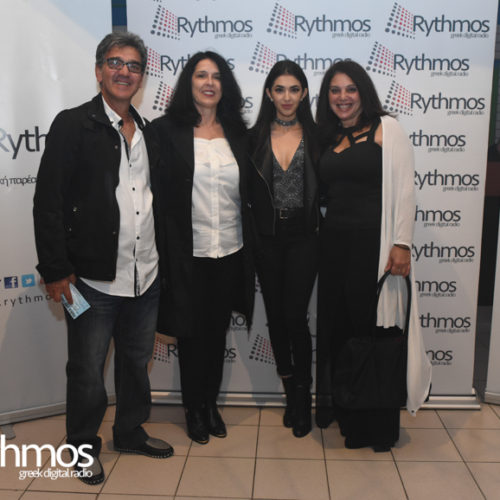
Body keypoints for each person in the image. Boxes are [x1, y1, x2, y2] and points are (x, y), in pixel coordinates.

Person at [33, 32, 173, 485]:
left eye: (133, 65)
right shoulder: (73, 125)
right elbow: (48, 202)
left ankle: (129, 431)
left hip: (144, 276)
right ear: (98, 71)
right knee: (87, 372)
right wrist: (56, 270)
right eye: (115, 62)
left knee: (135, 364)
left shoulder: (149, 131)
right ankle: (81, 445)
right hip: (91, 281)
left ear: (142, 77)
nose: (123, 72)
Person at [314, 60, 431, 451]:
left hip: (375, 249)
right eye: (335, 90)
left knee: (374, 332)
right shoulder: (329, 137)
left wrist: (402, 244)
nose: (343, 97)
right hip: (334, 249)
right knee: (343, 331)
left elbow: (406, 190)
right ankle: (348, 412)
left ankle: (376, 426)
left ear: (363, 91)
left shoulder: (387, 128)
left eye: (350, 89)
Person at [152, 51, 255, 445]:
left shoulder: (239, 134)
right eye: (201, 75)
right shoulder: (165, 131)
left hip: (229, 250)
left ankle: (210, 404)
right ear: (189, 83)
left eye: (216, 76)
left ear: (224, 85)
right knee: (190, 335)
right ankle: (193, 408)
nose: (209, 83)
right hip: (185, 253)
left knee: (215, 333)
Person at [248, 61, 319, 437]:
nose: (287, 97)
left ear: (304, 93)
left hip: (305, 237)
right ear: (268, 93)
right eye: (280, 89)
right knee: (275, 317)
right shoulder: (253, 138)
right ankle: (291, 392)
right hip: (267, 238)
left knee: (295, 316)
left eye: (294, 89)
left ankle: (303, 397)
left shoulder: (320, 137)